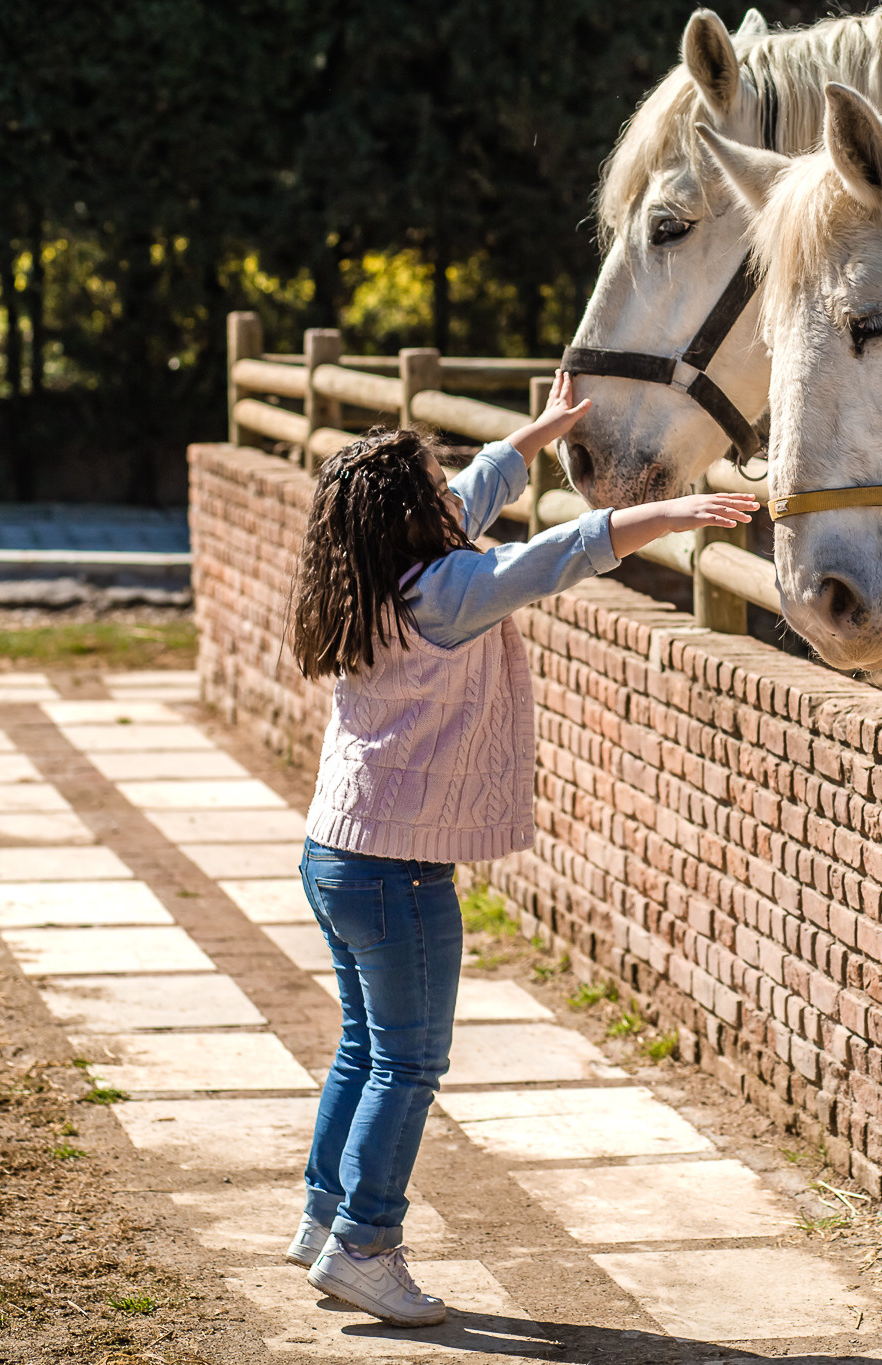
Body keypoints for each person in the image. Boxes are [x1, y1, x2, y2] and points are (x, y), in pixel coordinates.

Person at [281, 374, 755, 1326]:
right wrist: (664, 510)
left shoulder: (371, 569)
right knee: (407, 1065)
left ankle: (325, 1216)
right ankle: (366, 1247)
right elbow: (552, 558)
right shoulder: (447, 590)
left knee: (365, 1048)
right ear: (414, 511)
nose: (450, 486)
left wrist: (535, 436)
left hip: (336, 849)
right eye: (434, 480)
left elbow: (480, 492)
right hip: (399, 871)